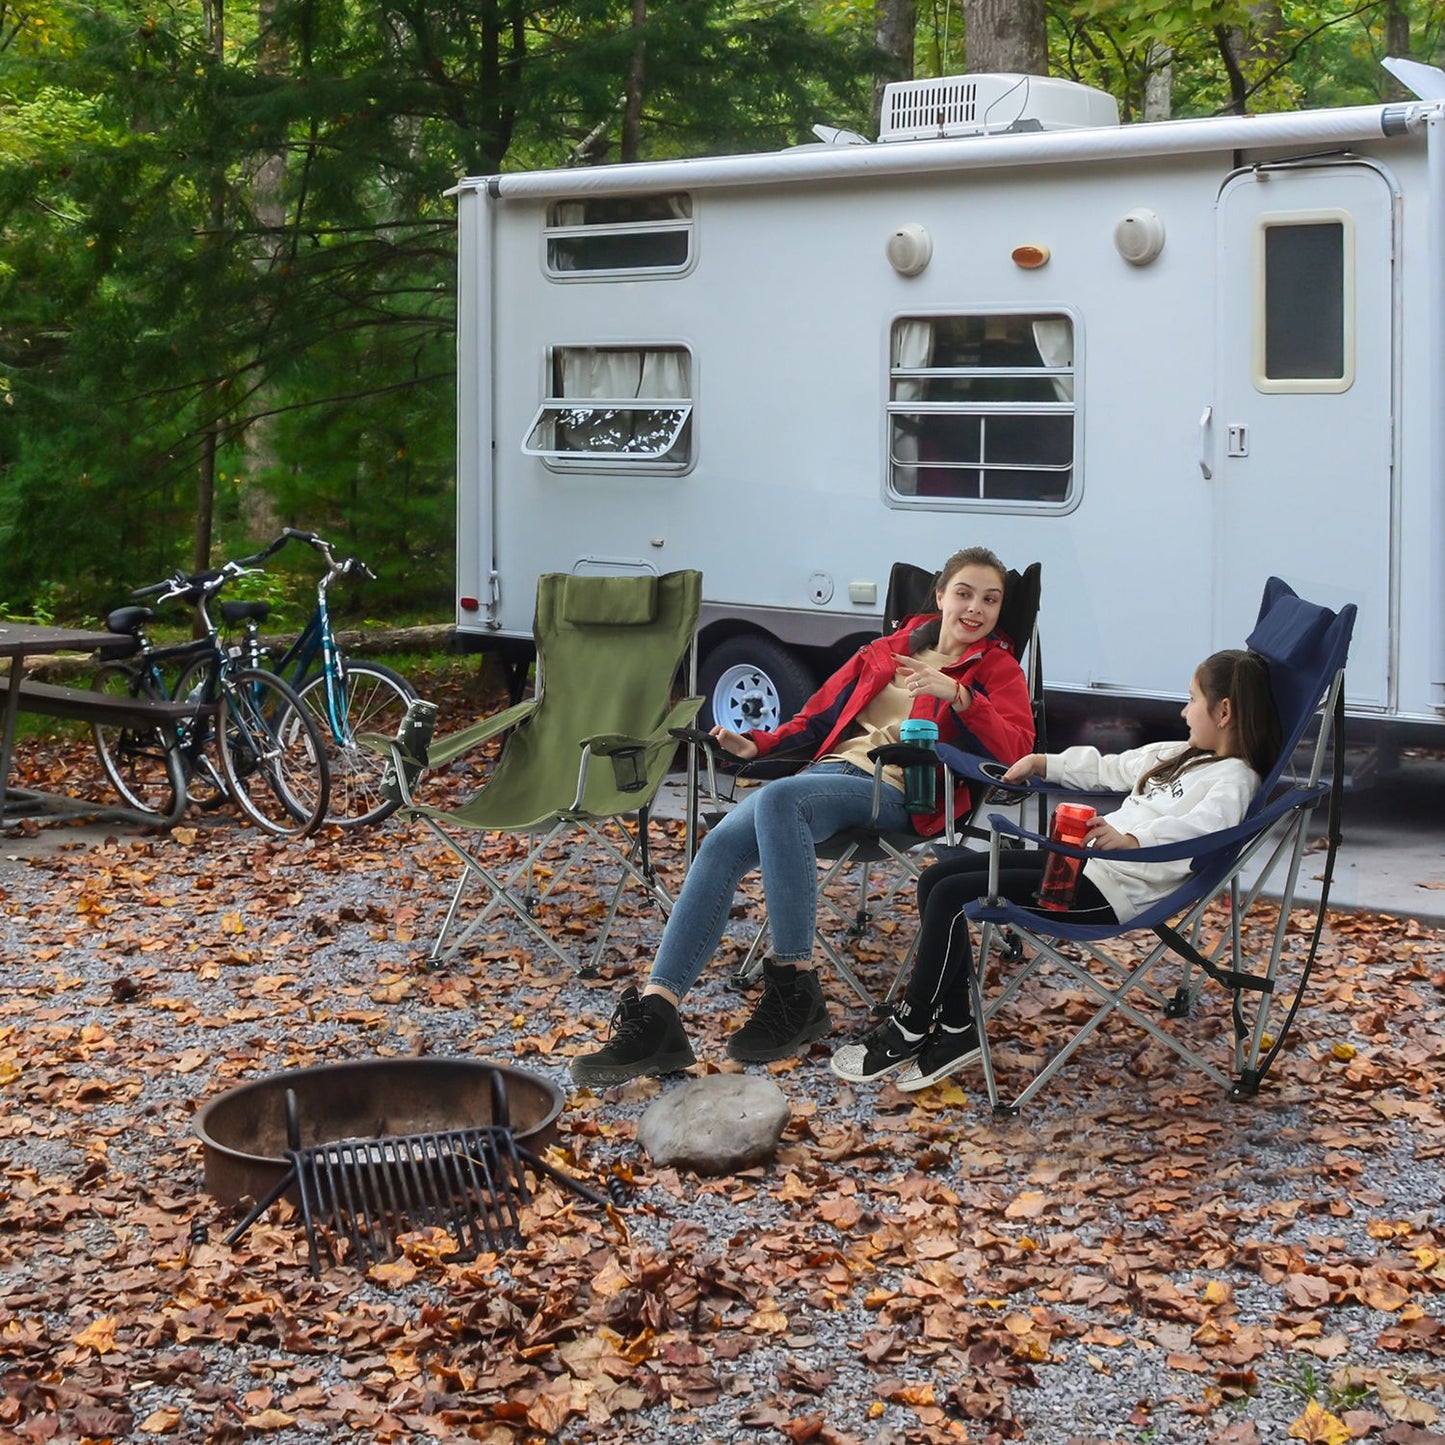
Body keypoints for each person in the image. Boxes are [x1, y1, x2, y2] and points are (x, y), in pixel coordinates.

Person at [569, 546, 1036, 1087]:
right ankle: (658, 1015)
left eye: (991, 599)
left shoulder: (996, 669)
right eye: (964, 593)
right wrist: (756, 745)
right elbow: (815, 717)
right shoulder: (883, 652)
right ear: (940, 596)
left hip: (901, 793)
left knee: (777, 800)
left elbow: (1015, 753)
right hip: (830, 778)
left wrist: (959, 696)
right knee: (721, 840)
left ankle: (795, 983)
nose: (975, 608)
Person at [830, 648, 1283, 1092]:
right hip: (1078, 867)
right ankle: (953, 1028)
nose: (1185, 713)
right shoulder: (1181, 753)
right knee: (936, 880)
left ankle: (910, 1026)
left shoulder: (1235, 780)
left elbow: (1201, 832)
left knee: (951, 896)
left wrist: (1133, 840)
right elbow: (1110, 768)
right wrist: (1045, 763)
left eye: (1192, 699)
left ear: (1223, 711)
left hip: (1112, 892)